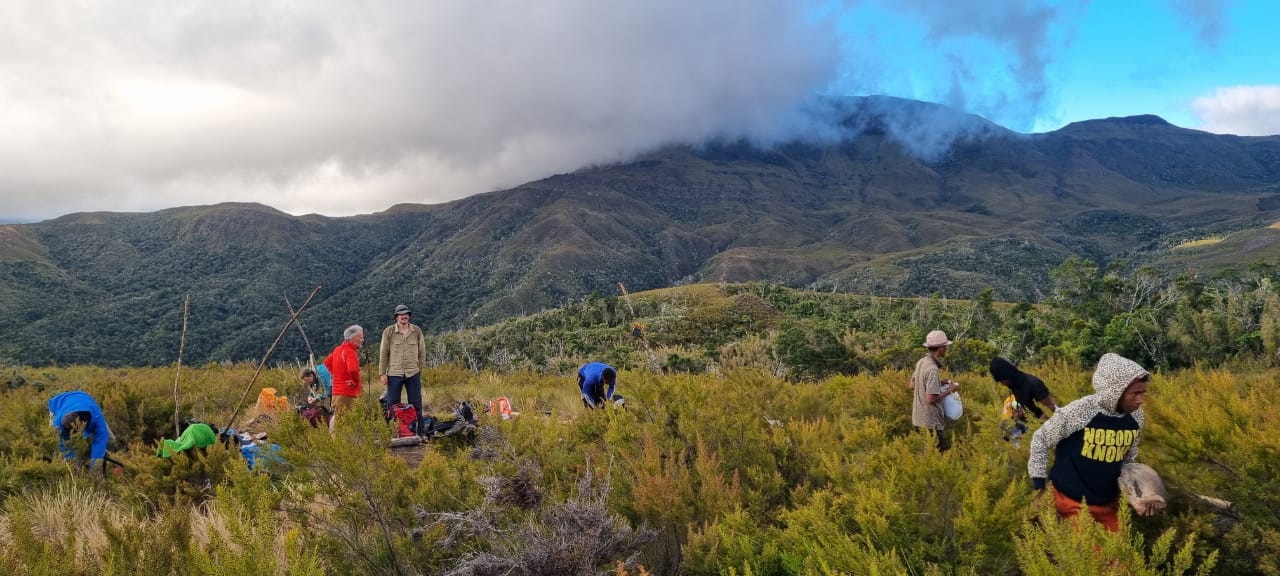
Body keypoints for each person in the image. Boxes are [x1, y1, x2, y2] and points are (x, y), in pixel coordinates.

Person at [1028, 352, 1154, 532]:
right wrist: (1039, 485)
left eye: (1143, 393)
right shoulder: (1082, 411)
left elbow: (1128, 460)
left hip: (1108, 504)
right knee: (1090, 557)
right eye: (1135, 393)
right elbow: (1041, 439)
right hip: (1070, 501)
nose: (1140, 400)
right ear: (1115, 392)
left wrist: (1139, 493)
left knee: (1119, 557)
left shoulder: (1136, 418)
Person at [379, 304, 428, 433]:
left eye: (406, 314)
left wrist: (420, 368)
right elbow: (384, 353)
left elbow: (422, 351)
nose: (404, 316)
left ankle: (420, 432)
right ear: (396, 317)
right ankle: (392, 432)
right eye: (401, 314)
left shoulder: (416, 331)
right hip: (394, 373)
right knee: (392, 404)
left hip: (413, 373)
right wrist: (382, 373)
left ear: (409, 316)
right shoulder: (388, 332)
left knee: (416, 404)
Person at [910, 330, 959, 451]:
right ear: (941, 348)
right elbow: (931, 399)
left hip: (918, 419)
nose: (946, 349)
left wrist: (939, 383)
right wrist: (951, 390)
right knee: (939, 458)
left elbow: (912, 385)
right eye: (945, 347)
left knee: (926, 456)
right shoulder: (932, 369)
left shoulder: (921, 362)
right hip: (930, 422)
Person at [48, 390, 113, 466]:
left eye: (74, 432)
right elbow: (63, 445)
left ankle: (113, 456)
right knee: (55, 443)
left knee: (110, 440)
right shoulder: (58, 422)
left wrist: (95, 464)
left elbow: (101, 438)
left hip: (83, 399)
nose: (72, 434)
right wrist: (73, 463)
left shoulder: (97, 418)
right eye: (70, 432)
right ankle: (58, 464)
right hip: (60, 402)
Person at [324, 324, 365, 432]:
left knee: (338, 417)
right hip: (347, 392)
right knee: (345, 421)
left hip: (337, 392)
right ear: (353, 338)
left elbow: (327, 362)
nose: (363, 340)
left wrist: (337, 375)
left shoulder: (338, 349)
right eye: (361, 337)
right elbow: (353, 370)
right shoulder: (350, 352)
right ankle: (341, 444)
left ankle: (335, 442)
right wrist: (355, 382)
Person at [990, 357, 1057, 421]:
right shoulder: (1015, 387)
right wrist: (1014, 419)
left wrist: (1035, 427)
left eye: (1002, 380)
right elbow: (1027, 406)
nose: (1002, 384)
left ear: (1008, 375)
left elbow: (1051, 409)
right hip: (1033, 423)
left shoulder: (1033, 384)